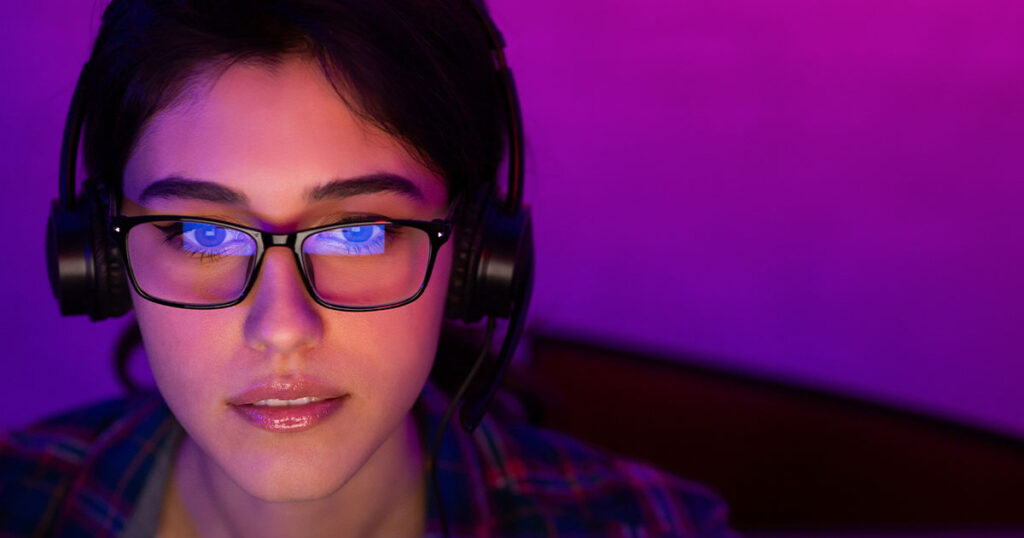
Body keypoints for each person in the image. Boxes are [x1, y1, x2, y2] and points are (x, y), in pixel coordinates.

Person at [1, 0, 737, 536]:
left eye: (359, 234)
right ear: (100, 255)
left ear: (476, 254)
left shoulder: (656, 527)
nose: (282, 329)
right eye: (201, 234)